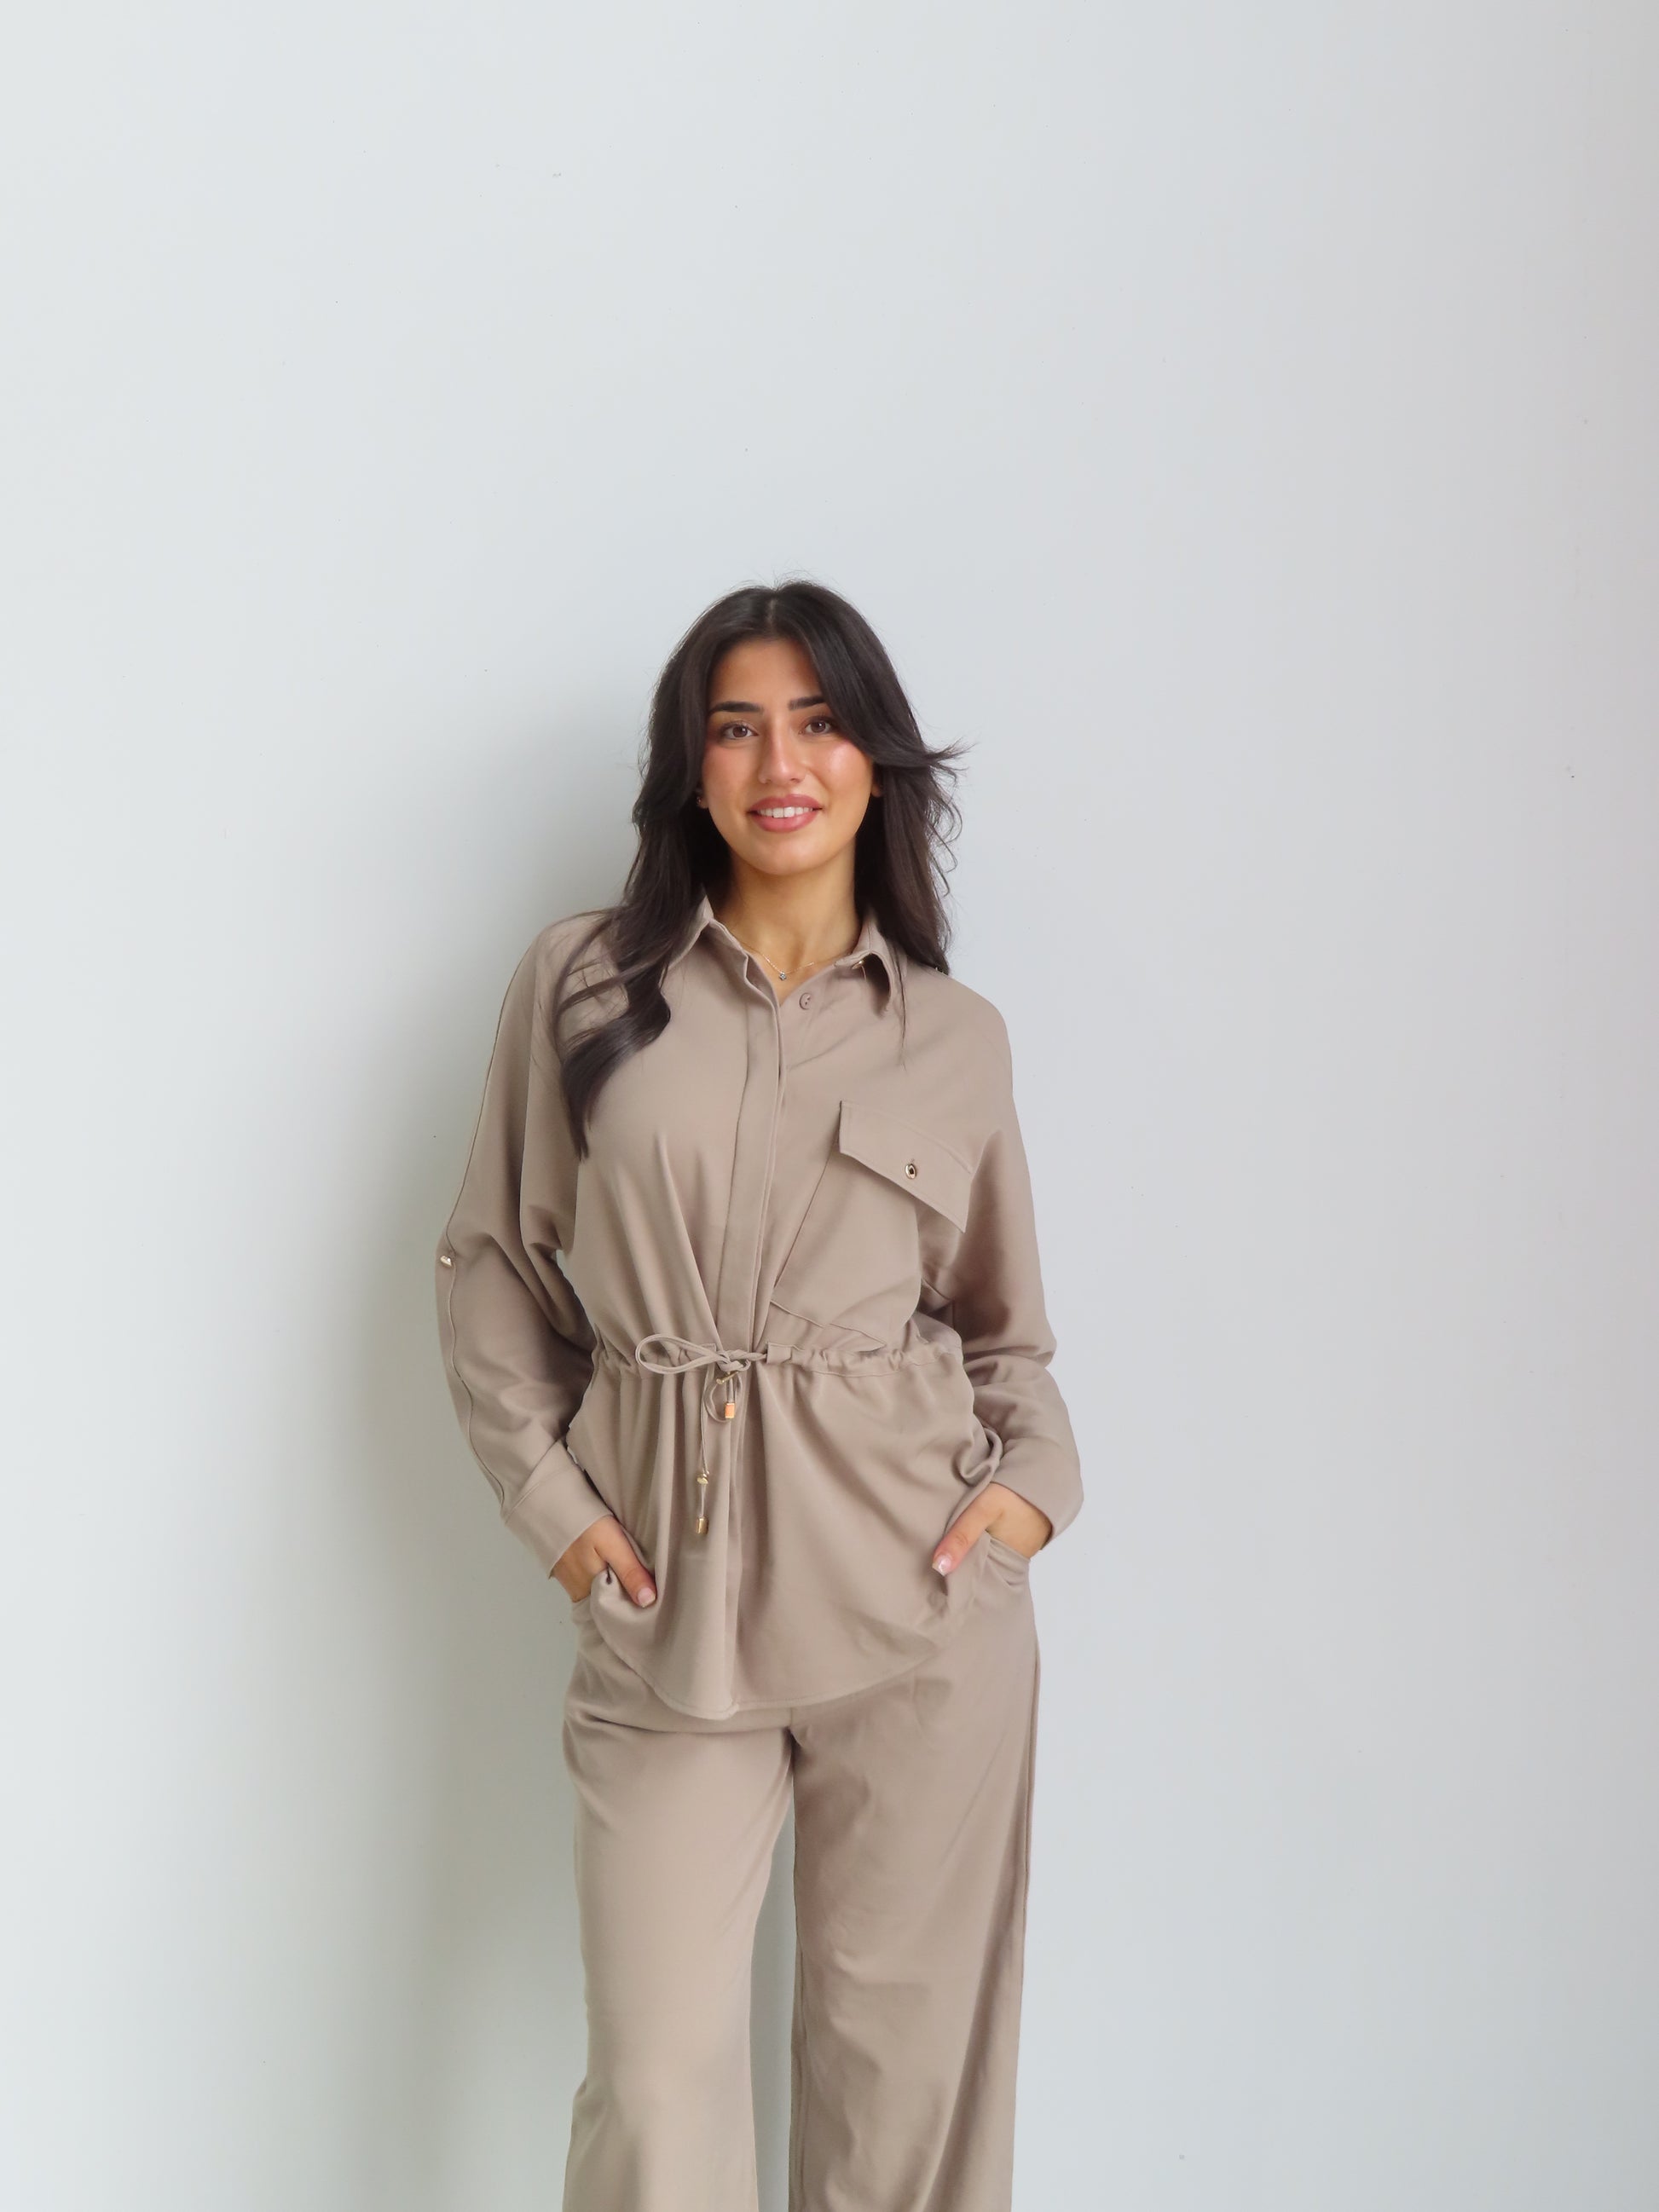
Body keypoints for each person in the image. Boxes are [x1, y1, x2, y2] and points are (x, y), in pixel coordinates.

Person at [434, 578, 1084, 2211]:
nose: (778, 762)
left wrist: (1020, 1503)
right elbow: (493, 1266)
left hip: (918, 1613)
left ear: (877, 762)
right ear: (690, 769)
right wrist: (561, 1517)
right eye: (735, 727)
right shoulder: (583, 984)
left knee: (905, 2089)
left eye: (817, 722)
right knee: (655, 2096)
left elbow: (1002, 1335)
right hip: (664, 1614)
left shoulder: (953, 1036)